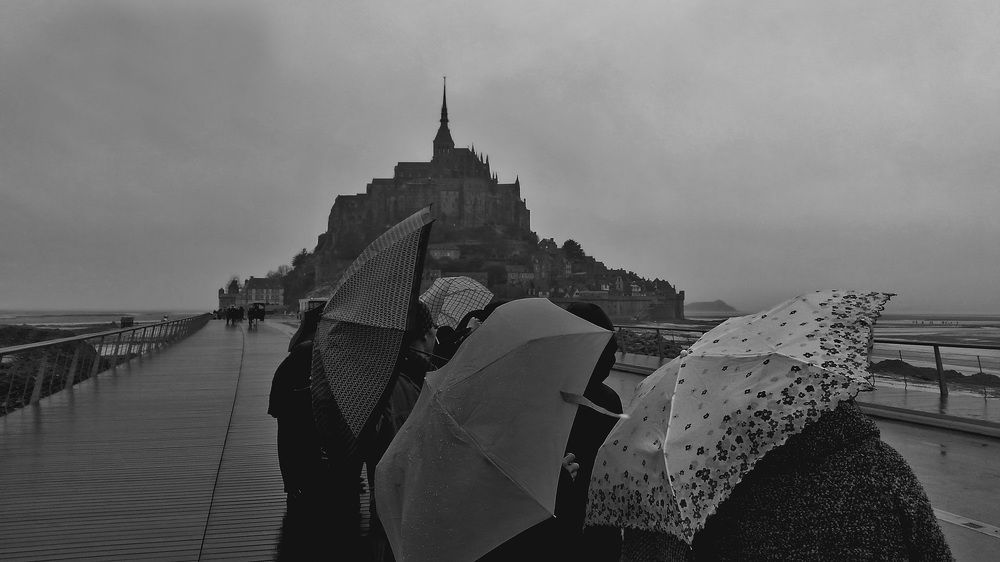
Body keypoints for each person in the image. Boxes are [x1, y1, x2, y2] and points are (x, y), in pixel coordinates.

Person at [481, 302, 623, 561]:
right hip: (596, 527)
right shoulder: (607, 401)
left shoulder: (533, 395)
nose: (612, 360)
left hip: (548, 529)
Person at [365, 301, 437, 562]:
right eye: (433, 330)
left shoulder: (379, 378)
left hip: (386, 504)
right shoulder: (404, 387)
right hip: (408, 508)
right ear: (425, 335)